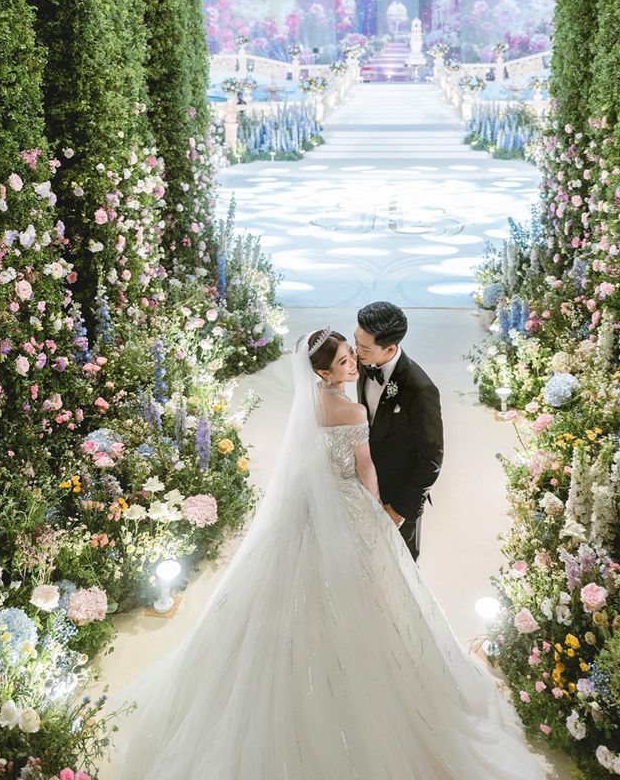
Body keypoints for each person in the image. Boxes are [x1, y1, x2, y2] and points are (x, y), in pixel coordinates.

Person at [107, 330, 545, 780]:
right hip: (347, 502)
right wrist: (379, 516)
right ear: (321, 371)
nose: (354, 365)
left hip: (301, 504)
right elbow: (365, 468)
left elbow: (305, 461)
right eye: (343, 362)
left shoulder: (307, 405)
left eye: (353, 357)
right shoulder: (352, 409)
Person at [355, 301, 442, 560]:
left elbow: (431, 459)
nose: (355, 351)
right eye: (356, 341)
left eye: (364, 347)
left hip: (398, 494)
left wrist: (399, 510)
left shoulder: (420, 389)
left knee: (400, 564)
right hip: (366, 485)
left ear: (390, 348)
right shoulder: (364, 361)